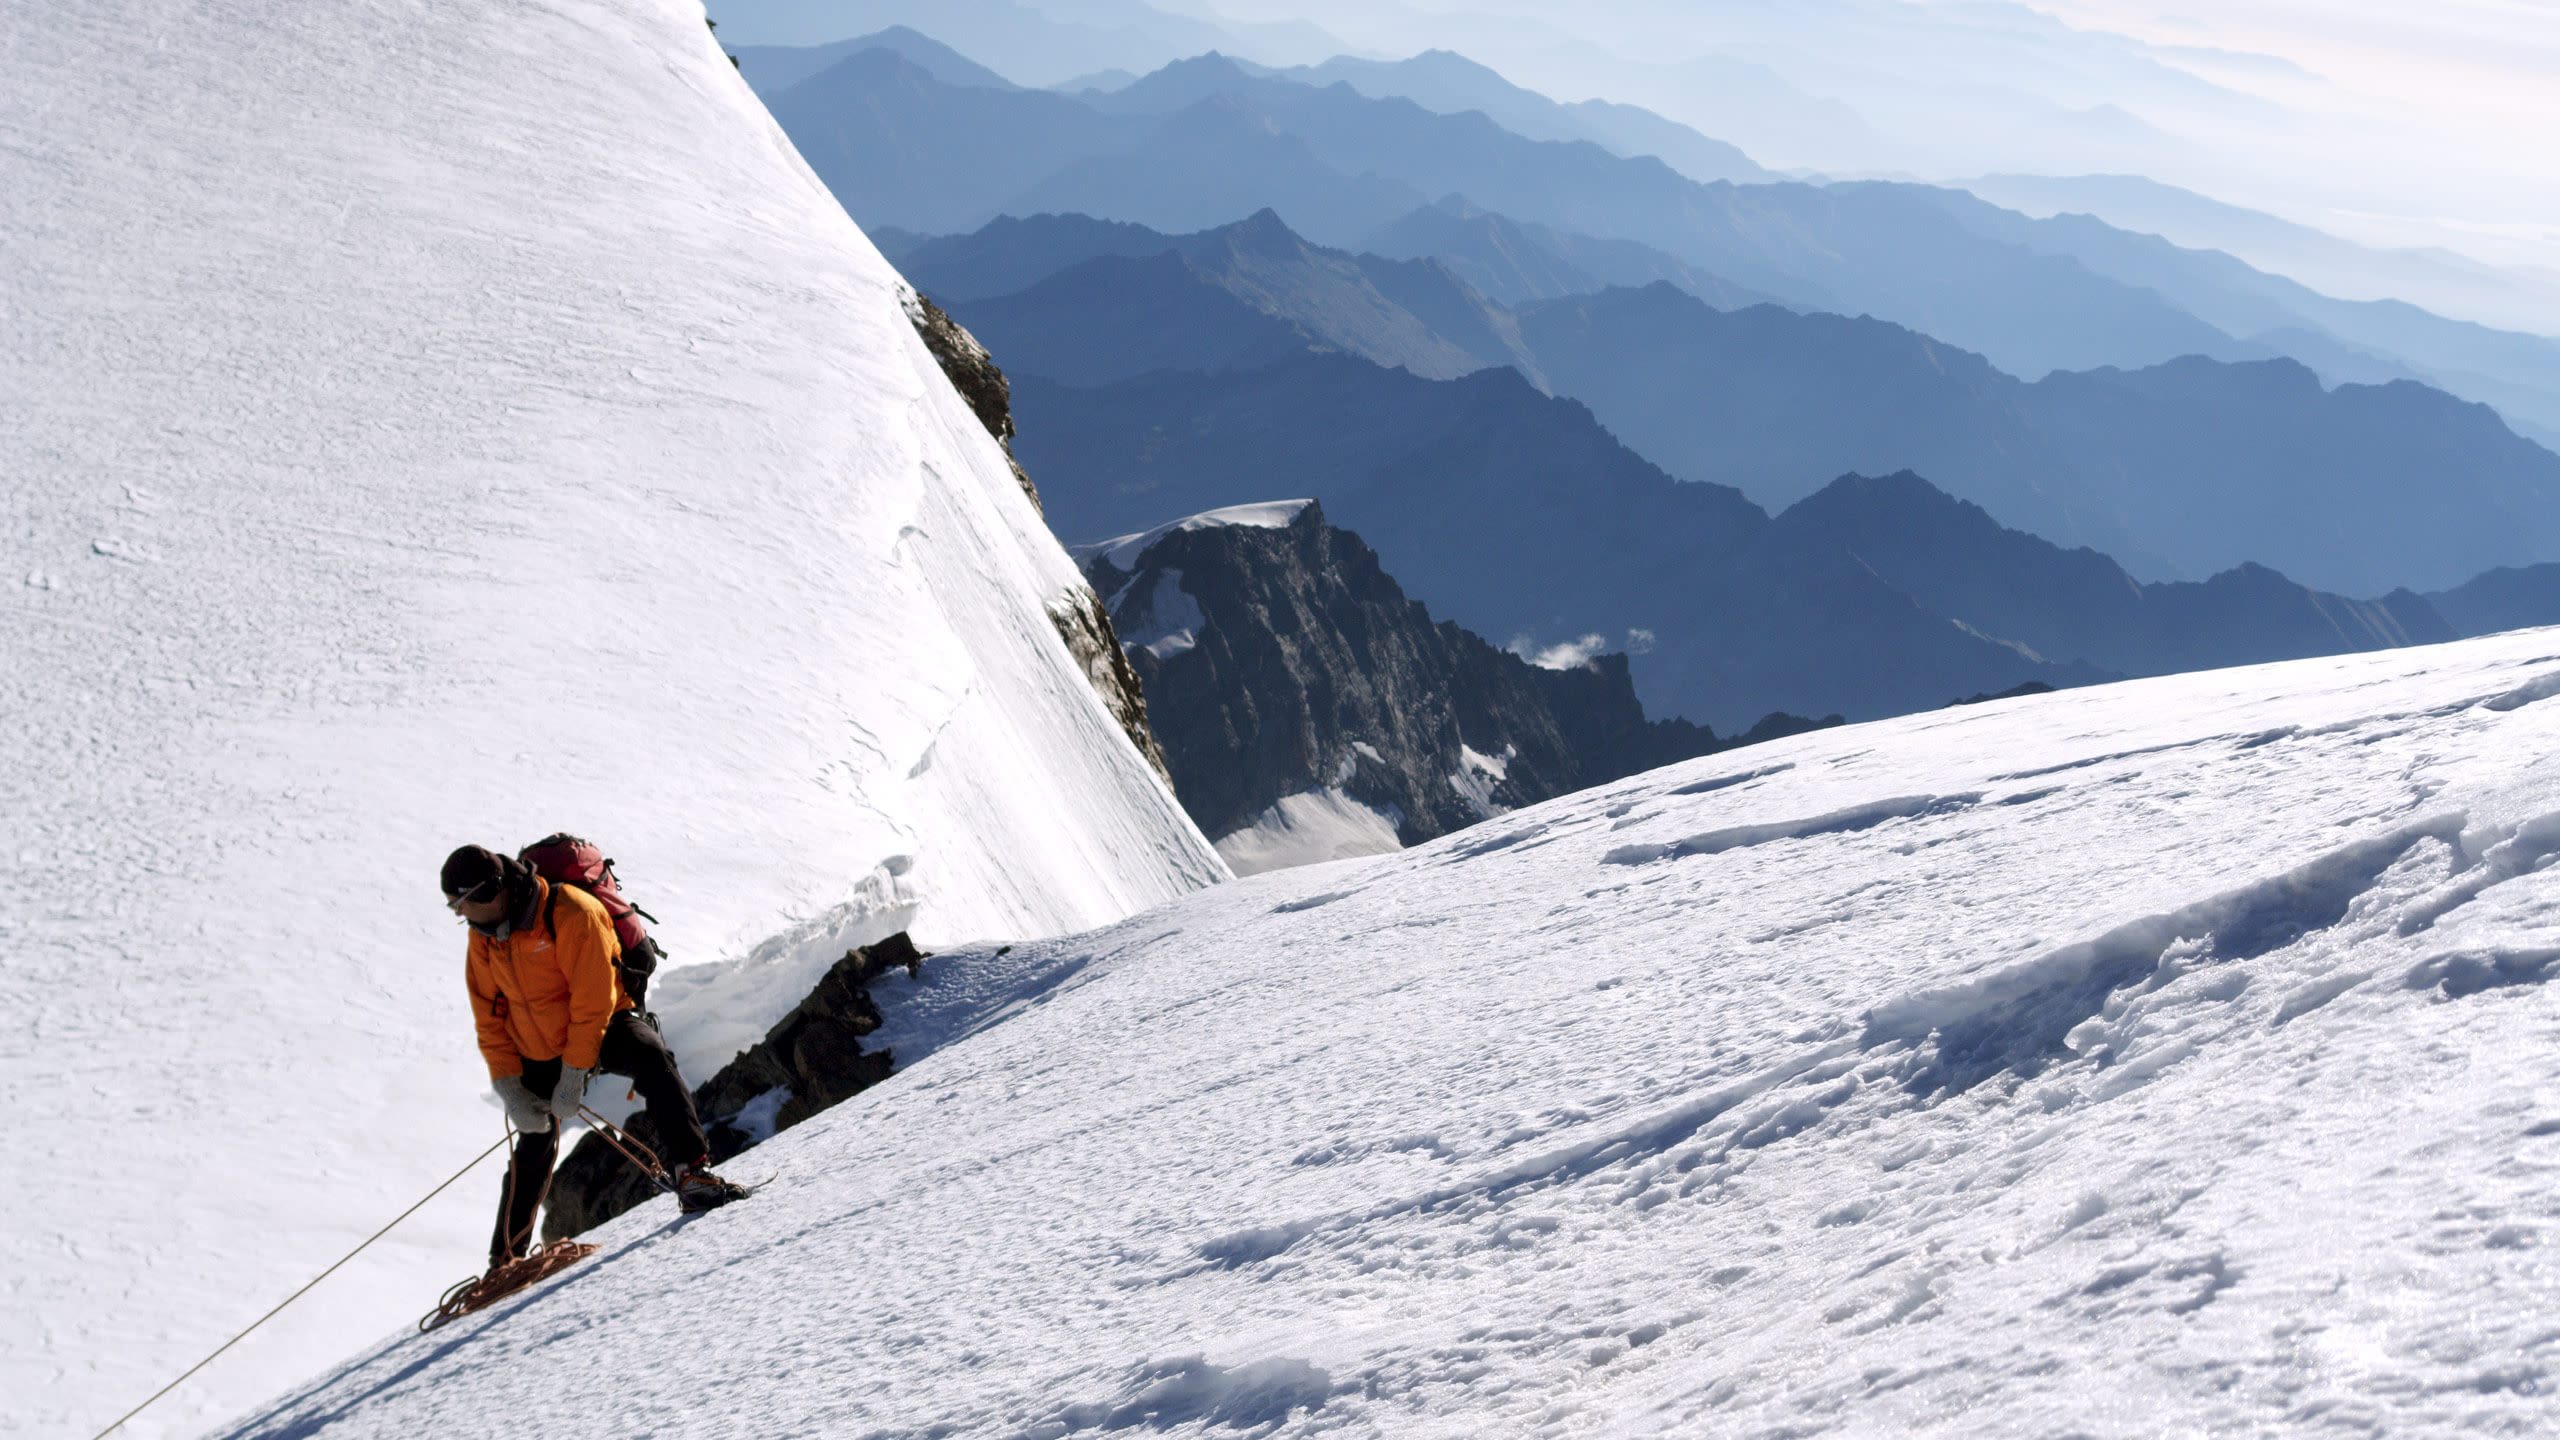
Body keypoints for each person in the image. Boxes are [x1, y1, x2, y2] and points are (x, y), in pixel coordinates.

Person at [440, 843, 746, 1268]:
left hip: (605, 1023)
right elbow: (491, 1021)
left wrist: (573, 1074)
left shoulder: (572, 913)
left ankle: (692, 1172)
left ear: (492, 892)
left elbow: (593, 1002)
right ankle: (506, 1257)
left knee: (653, 1059)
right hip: (541, 1043)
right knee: (534, 1137)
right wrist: (510, 1085)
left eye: (460, 904)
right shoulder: (484, 937)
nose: (459, 915)